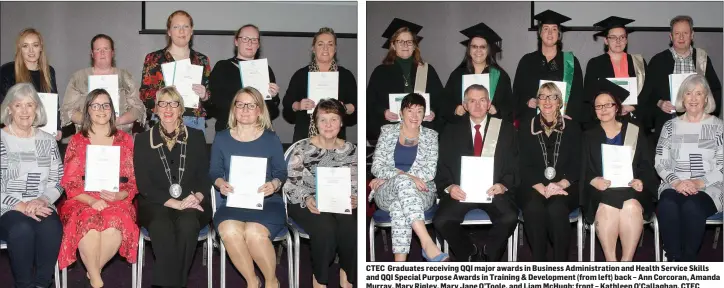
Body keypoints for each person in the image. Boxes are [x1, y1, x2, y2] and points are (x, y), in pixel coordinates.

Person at [57, 89, 139, 287]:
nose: (101, 110)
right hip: (82, 199)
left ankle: (94, 274)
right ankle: (96, 281)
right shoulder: (77, 141)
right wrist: (92, 200)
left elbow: (134, 180)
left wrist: (120, 194)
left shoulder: (125, 140)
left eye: (106, 105)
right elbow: (70, 182)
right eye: (95, 105)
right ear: (88, 111)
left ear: (112, 110)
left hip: (117, 198)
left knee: (113, 227)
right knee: (90, 227)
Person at [134, 87, 212, 287]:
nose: (168, 108)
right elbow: (144, 184)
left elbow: (204, 176)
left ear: (181, 109)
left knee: (187, 225)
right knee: (161, 226)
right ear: (156, 109)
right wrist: (175, 204)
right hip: (155, 202)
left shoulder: (196, 137)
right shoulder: (143, 140)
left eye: (173, 103)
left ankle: (166, 284)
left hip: (191, 199)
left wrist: (198, 197)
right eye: (162, 103)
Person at [211, 87, 287, 288]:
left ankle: (271, 282)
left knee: (254, 233)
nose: (245, 110)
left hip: (267, 202)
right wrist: (220, 183)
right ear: (233, 109)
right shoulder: (221, 138)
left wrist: (274, 184)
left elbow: (281, 172)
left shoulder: (271, 139)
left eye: (251, 105)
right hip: (233, 201)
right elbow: (214, 172)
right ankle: (252, 282)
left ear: (260, 110)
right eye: (240, 104)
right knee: (229, 231)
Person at [434, 85, 518, 262]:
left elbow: (514, 163)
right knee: (441, 220)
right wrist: (450, 187)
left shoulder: (506, 129)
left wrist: (503, 185)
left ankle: (490, 253)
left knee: (509, 217)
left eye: (482, 100)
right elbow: (442, 164)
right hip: (462, 191)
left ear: (489, 104)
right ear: (465, 105)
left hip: (493, 191)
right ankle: (469, 251)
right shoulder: (451, 130)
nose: (478, 105)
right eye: (472, 101)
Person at [580, 79, 657, 261]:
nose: (604, 109)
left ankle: (626, 262)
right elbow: (583, 169)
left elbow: (647, 165)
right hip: (602, 191)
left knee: (631, 207)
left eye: (608, 104)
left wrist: (642, 181)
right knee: (607, 207)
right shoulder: (588, 136)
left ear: (617, 107)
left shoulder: (634, 131)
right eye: (599, 106)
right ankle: (611, 262)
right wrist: (593, 180)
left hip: (632, 189)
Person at [283, 99, 357, 288]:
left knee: (350, 225)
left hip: (340, 202)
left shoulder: (351, 150)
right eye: (323, 120)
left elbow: (355, 183)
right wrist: (307, 198)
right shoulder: (302, 149)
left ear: (341, 122)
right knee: (325, 228)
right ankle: (320, 280)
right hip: (306, 202)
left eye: (334, 119)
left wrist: (354, 198)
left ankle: (347, 273)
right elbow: (291, 185)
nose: (328, 125)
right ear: (315, 123)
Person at [369, 93, 448, 262]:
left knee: (400, 207)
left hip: (422, 192)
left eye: (419, 111)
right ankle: (427, 242)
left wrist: (397, 177)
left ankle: (400, 268)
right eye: (410, 111)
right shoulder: (387, 131)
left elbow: (429, 171)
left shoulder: (431, 136)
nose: (414, 116)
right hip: (386, 192)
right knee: (402, 183)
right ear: (401, 113)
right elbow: (377, 166)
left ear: (424, 115)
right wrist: (403, 178)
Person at [0, 83, 64, 288]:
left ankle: (42, 284)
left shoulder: (47, 141)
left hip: (40, 203)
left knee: (52, 227)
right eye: (19, 105)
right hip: (7, 207)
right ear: (9, 108)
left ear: (37, 108)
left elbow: (58, 179)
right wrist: (20, 205)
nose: (25, 111)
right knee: (22, 229)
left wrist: (42, 199)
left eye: (30, 105)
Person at [654, 74, 723, 262]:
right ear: (682, 98)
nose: (693, 98)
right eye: (688, 93)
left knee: (692, 206)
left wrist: (699, 182)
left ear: (706, 98)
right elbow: (660, 161)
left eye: (699, 93)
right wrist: (676, 182)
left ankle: (688, 260)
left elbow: (722, 166)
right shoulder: (670, 126)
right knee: (667, 205)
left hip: (709, 186)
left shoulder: (718, 127)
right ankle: (674, 259)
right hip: (674, 183)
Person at [517, 82, 582, 261]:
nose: (547, 101)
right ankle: (539, 262)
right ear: (537, 102)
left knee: (557, 208)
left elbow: (578, 162)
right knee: (533, 208)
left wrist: (561, 183)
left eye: (552, 96)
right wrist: (539, 185)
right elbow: (520, 161)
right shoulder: (525, 127)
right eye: (542, 96)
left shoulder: (573, 128)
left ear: (560, 102)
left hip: (565, 185)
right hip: (533, 185)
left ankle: (560, 264)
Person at [642, 15, 721, 149]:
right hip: (668, 124)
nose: (681, 37)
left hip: (699, 126)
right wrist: (660, 103)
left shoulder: (702, 59)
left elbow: (715, 90)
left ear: (692, 35)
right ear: (671, 36)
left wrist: (705, 106)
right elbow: (647, 94)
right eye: (677, 33)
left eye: (685, 33)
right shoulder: (658, 61)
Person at [367, 18, 445, 143]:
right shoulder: (380, 72)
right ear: (393, 45)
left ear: (414, 45)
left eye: (409, 42)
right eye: (400, 41)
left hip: (422, 132)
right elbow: (370, 102)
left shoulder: (427, 70)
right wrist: (383, 111)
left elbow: (440, 99)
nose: (405, 45)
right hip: (391, 133)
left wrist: (433, 112)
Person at [140, 10, 212, 134]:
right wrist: (161, 93)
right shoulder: (154, 59)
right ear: (169, 31)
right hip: (162, 119)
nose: (181, 31)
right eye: (176, 27)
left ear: (191, 30)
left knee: (194, 154)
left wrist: (205, 95)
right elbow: (144, 94)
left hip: (194, 121)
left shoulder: (202, 60)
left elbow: (211, 98)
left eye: (186, 26)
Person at [282, 27, 357, 142]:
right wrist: (298, 105)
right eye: (320, 44)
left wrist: (344, 108)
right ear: (313, 48)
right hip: (304, 137)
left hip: (336, 140)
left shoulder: (345, 76)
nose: (325, 48)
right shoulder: (301, 75)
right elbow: (287, 103)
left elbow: (356, 105)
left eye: (330, 44)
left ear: (335, 49)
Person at [61, 34, 146, 134]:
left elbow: (137, 108)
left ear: (112, 53)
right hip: (87, 135)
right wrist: (89, 121)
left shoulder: (125, 77)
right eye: (98, 49)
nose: (102, 53)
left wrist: (119, 120)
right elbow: (68, 110)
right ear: (92, 54)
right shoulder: (78, 78)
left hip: (120, 134)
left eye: (106, 49)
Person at [513, 10, 585, 127]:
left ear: (559, 34)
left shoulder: (571, 62)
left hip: (563, 122)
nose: (550, 33)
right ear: (540, 33)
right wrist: (527, 101)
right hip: (532, 122)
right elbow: (517, 93)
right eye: (546, 29)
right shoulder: (527, 61)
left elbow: (578, 96)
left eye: (554, 29)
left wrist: (569, 116)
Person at [209, 24, 281, 132]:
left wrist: (273, 96)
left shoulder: (265, 69)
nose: (250, 43)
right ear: (236, 42)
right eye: (245, 39)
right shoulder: (223, 67)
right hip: (229, 129)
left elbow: (272, 110)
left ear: (258, 45)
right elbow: (214, 103)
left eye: (254, 40)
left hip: (259, 130)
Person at [444, 22, 514, 124]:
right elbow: (445, 103)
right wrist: (455, 110)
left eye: (483, 47)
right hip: (463, 129)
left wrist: (497, 111)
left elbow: (509, 108)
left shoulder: (500, 76)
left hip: (491, 128)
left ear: (488, 50)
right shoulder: (457, 75)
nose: (478, 51)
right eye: (474, 46)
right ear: (469, 49)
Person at [584, 17, 648, 125]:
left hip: (633, 118)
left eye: (622, 37)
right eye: (613, 37)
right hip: (605, 119)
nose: (618, 41)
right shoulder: (595, 64)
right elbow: (589, 93)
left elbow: (647, 91)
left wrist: (632, 106)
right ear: (606, 40)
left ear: (626, 40)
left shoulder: (638, 62)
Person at [0, 28, 61, 140]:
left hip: (43, 133)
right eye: (25, 46)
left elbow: (54, 102)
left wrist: (57, 127)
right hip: (16, 134)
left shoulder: (49, 71)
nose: (31, 51)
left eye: (35, 45)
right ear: (20, 49)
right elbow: (3, 105)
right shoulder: (7, 71)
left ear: (41, 48)